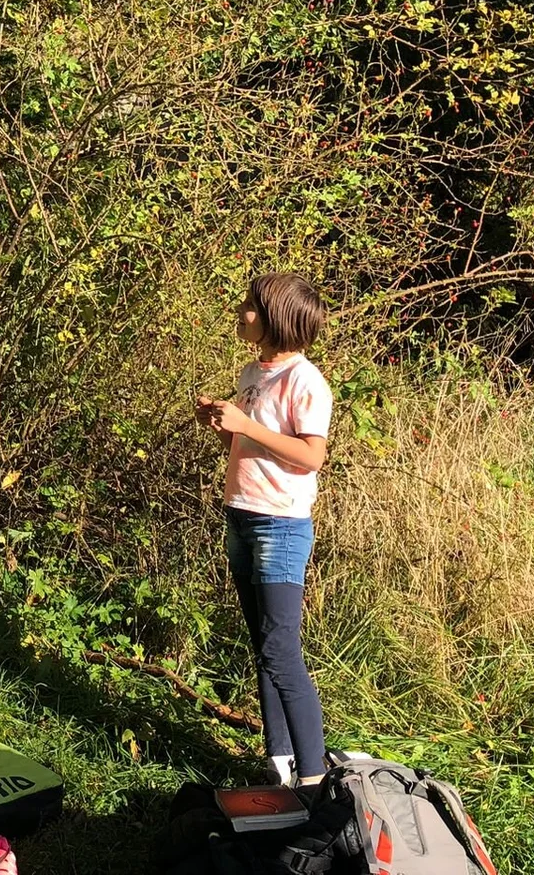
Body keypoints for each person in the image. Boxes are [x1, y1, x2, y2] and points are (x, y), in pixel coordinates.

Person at [196, 272, 333, 788]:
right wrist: (224, 422)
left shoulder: (305, 381)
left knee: (280, 652)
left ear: (275, 319)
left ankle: (316, 782)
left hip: (281, 525)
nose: (241, 310)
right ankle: (279, 766)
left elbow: (311, 455)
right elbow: (258, 442)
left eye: (250, 306)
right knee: (263, 646)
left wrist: (247, 426)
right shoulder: (254, 370)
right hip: (242, 515)